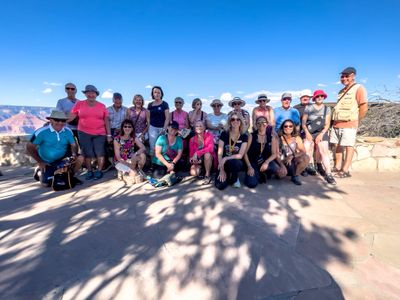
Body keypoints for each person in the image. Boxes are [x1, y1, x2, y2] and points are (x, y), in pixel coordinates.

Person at [26, 111, 82, 187]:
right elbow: (29, 147)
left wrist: (74, 154)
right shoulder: (41, 132)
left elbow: (73, 145)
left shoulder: (68, 131)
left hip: (62, 158)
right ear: (51, 120)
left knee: (80, 158)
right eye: (57, 120)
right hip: (47, 162)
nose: (60, 123)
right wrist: (40, 161)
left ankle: (69, 176)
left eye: (63, 121)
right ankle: (39, 172)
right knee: (46, 184)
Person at [331, 67, 368, 178]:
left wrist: (357, 120)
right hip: (336, 124)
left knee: (349, 146)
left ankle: (345, 170)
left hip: (349, 123)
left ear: (353, 76)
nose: (344, 78)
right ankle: (337, 167)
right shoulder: (341, 91)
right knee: (337, 145)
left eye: (347, 76)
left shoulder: (359, 88)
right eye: (342, 76)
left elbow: (363, 106)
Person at [69, 84, 112, 180]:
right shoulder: (79, 104)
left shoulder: (102, 106)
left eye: (93, 93)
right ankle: (89, 171)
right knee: (87, 153)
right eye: (88, 93)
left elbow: (106, 121)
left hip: (100, 133)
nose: (91, 95)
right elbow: (71, 116)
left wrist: (109, 134)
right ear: (85, 94)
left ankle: (99, 170)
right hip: (83, 132)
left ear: (96, 94)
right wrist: (57, 121)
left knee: (99, 152)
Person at [302, 90, 336, 185]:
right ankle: (309, 166)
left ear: (324, 97)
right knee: (307, 147)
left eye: (321, 96)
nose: (320, 97)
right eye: (317, 96)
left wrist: (321, 134)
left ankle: (328, 173)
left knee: (323, 150)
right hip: (310, 131)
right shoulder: (309, 108)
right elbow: (304, 123)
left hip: (321, 131)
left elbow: (327, 124)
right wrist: (307, 133)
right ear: (314, 98)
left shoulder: (327, 109)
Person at [244, 116, 286, 188]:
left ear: (267, 124)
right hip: (253, 162)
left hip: (266, 161)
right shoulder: (251, 136)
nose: (261, 124)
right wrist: (249, 167)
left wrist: (267, 162)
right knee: (251, 184)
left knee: (281, 173)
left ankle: (264, 172)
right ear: (256, 125)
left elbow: (274, 153)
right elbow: (245, 153)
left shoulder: (272, 137)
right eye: (258, 123)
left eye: (263, 122)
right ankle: (259, 174)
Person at [215, 113, 248, 190]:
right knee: (220, 186)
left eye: (238, 119)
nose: (235, 121)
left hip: (234, 163)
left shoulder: (244, 136)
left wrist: (226, 158)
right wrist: (222, 170)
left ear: (241, 122)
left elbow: (240, 155)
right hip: (223, 163)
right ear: (230, 122)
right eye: (233, 119)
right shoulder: (224, 134)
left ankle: (234, 176)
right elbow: (219, 153)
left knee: (236, 162)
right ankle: (227, 175)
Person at [278, 119, 309, 185]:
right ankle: (281, 172)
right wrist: (281, 163)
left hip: (291, 161)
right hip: (281, 162)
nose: (288, 128)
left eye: (290, 126)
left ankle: (295, 176)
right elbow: (275, 153)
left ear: (293, 127)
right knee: (280, 176)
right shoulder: (278, 138)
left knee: (306, 158)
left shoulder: (297, 138)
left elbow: (303, 151)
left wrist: (292, 156)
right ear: (282, 127)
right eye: (285, 126)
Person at [148, 86, 170, 155]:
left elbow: (167, 118)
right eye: (155, 92)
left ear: (161, 94)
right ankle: (153, 164)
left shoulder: (165, 104)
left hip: (162, 128)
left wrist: (164, 129)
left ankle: (162, 164)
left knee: (163, 146)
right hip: (152, 128)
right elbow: (148, 118)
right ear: (153, 94)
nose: (157, 94)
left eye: (158, 92)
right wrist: (149, 127)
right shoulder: (150, 105)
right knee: (152, 146)